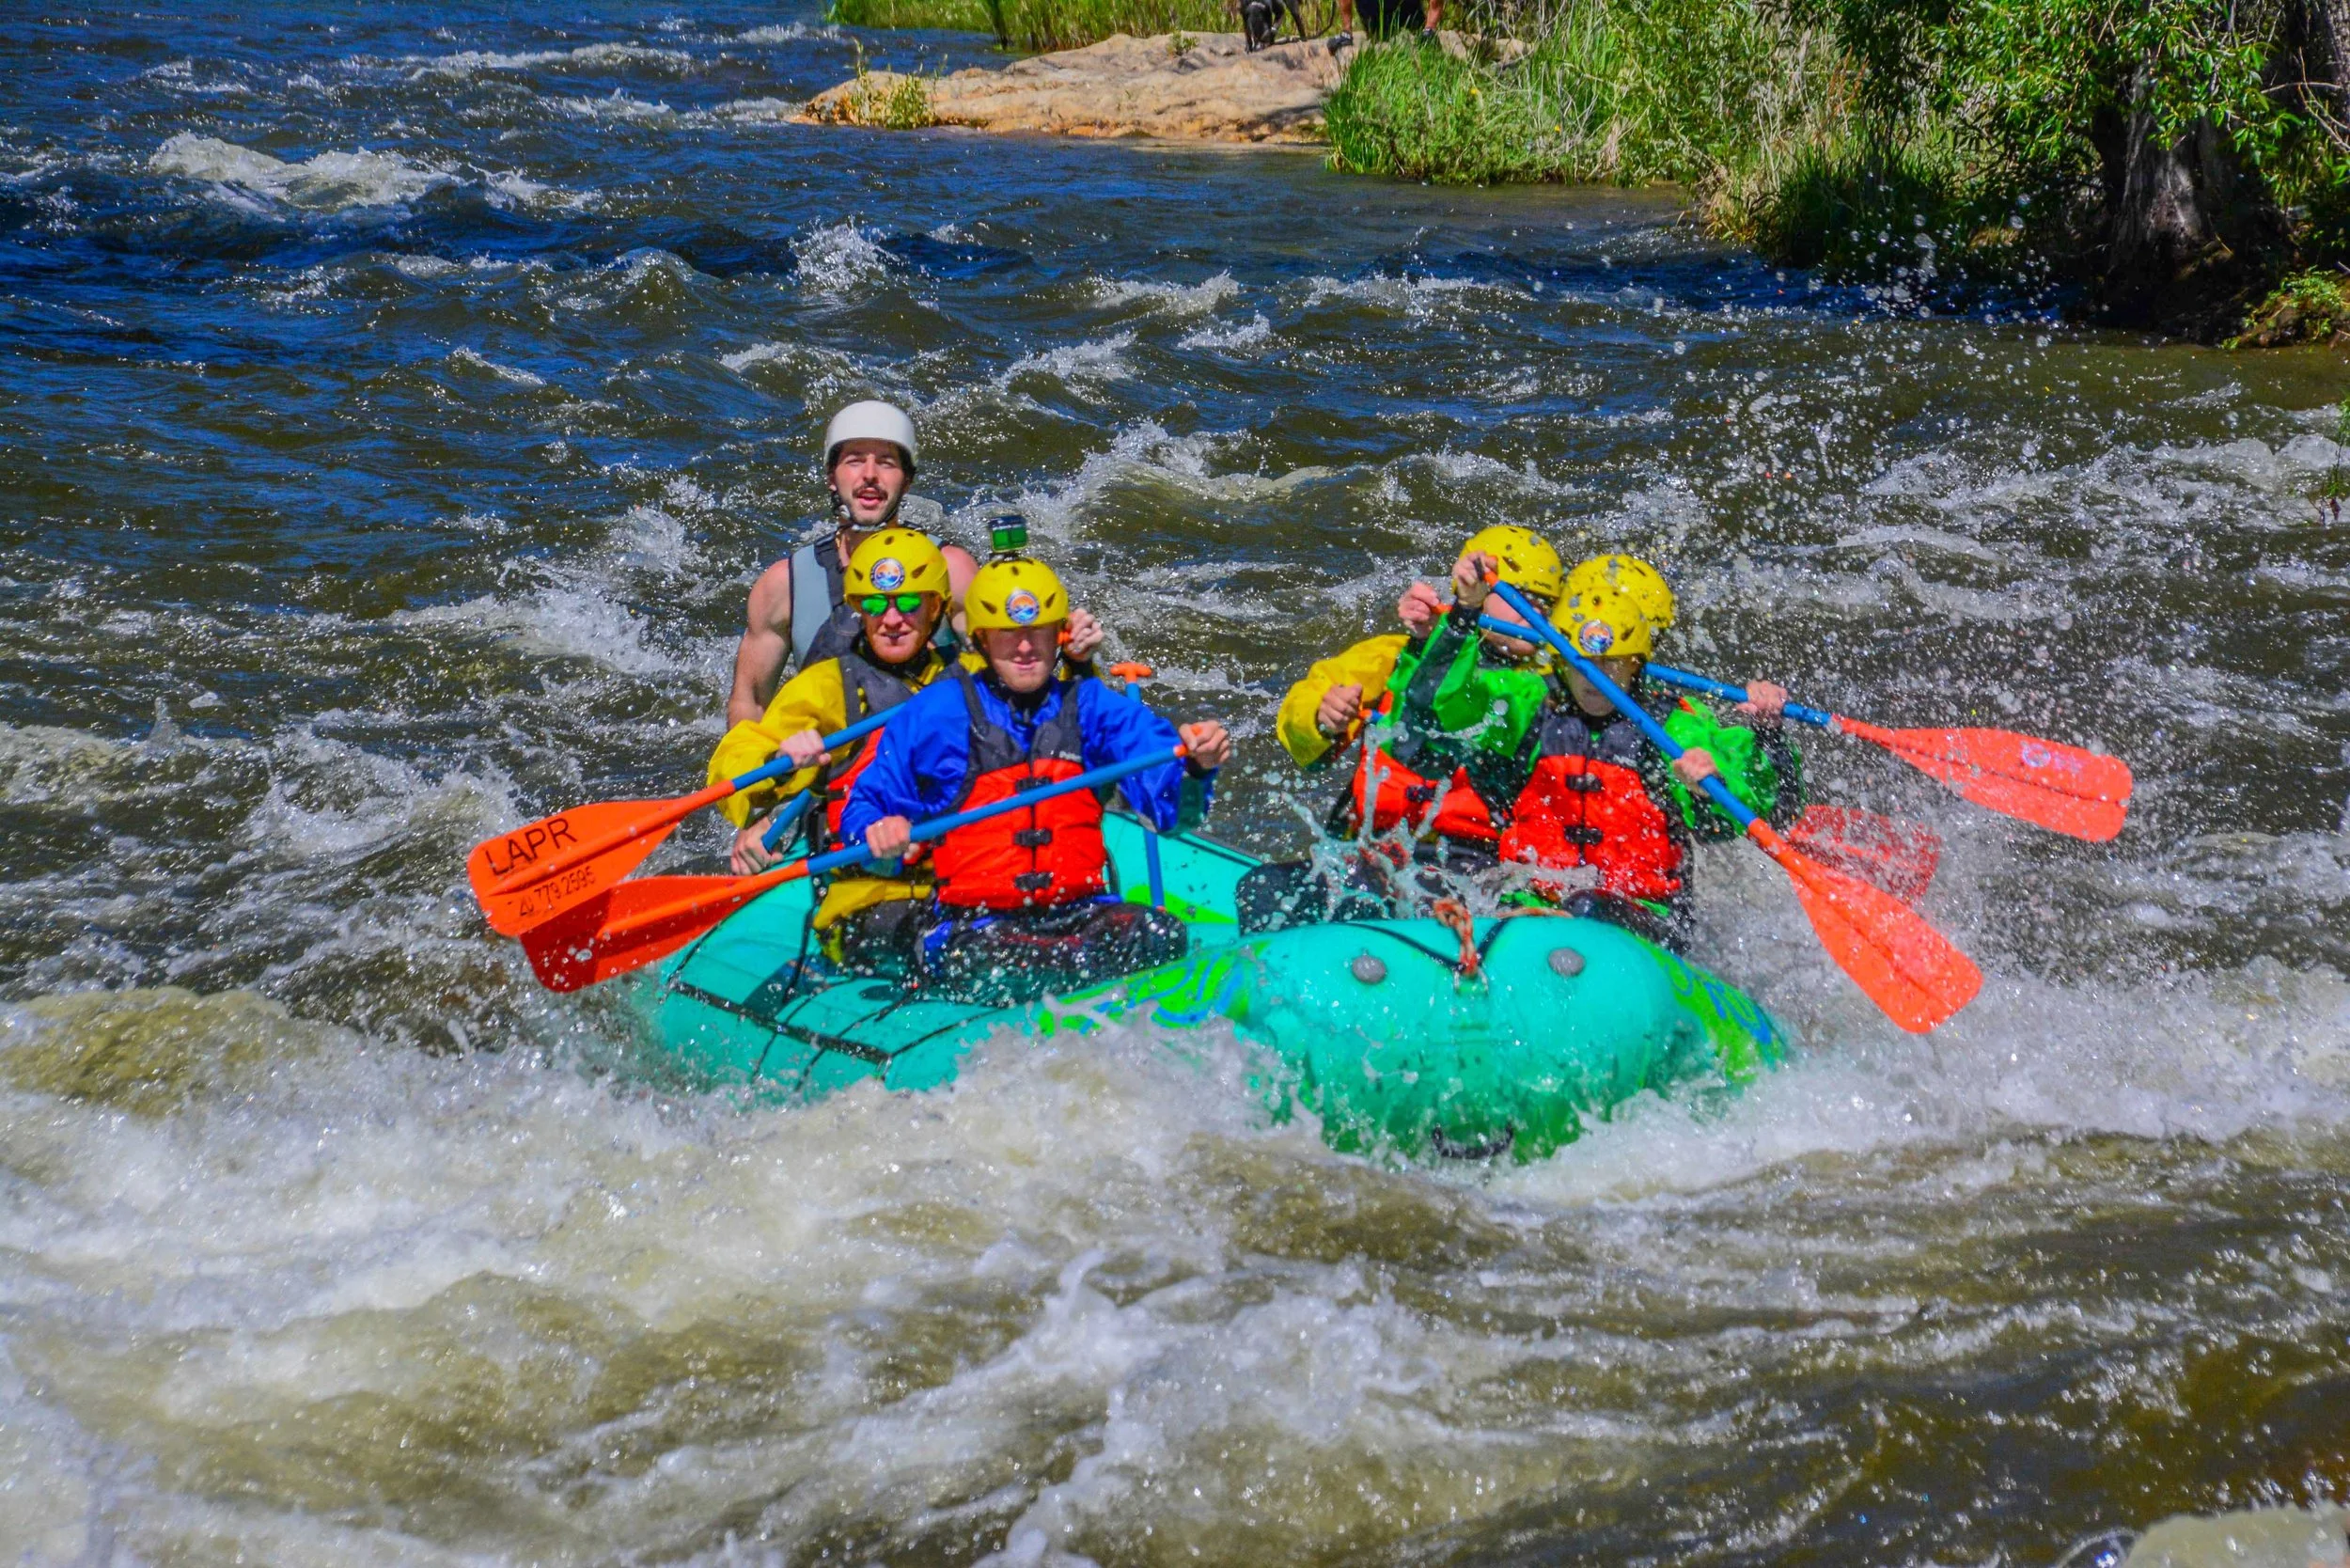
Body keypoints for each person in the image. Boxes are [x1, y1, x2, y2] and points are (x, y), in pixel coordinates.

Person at [839, 556, 1232, 1003]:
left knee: (1162, 933)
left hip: (1080, 914)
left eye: (1037, 633)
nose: (1025, 648)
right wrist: (877, 835)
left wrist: (1196, 770)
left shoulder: (1093, 707)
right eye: (1009, 634)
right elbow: (863, 809)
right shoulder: (936, 714)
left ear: (1058, 637)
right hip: (978, 925)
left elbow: (1171, 814)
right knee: (1002, 966)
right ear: (983, 640)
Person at [1434, 572, 1805, 949]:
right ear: (1561, 662)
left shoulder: (1674, 730)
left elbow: (1764, 815)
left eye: (1612, 664)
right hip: (1534, 904)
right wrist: (1463, 614)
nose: (1594, 678)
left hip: (1648, 915)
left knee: (1586, 908)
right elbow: (1446, 706)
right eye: (1584, 663)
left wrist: (1710, 788)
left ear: (1635, 664)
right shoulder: (1531, 704)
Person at [1241, 526, 1562, 930]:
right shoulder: (1397, 653)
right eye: (1519, 599)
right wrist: (1322, 718)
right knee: (1262, 887)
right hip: (1378, 854)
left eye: (1543, 604)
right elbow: (1302, 708)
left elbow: (1447, 703)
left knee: (1363, 902)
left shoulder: (1541, 690)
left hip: (1470, 869)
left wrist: (1449, 632)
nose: (1531, 613)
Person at [705, 531, 995, 976]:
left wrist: (1074, 660)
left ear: (936, 608)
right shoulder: (827, 687)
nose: (892, 619)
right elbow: (736, 756)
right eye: (876, 605)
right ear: (859, 610)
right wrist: (777, 761)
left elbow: (1051, 719)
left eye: (909, 603)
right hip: (870, 897)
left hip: (967, 880)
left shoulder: (972, 678)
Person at [726, 400, 980, 726]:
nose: (870, 475)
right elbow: (751, 704)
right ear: (832, 476)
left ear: (907, 481)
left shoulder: (952, 569)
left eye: (887, 463)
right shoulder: (784, 585)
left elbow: (999, 668)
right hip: (838, 762)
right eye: (855, 461)